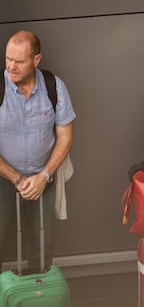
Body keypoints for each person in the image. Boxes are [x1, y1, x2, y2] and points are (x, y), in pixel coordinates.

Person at [0, 30, 76, 271]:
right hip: (3, 179)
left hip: (43, 179)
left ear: (36, 60)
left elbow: (65, 137)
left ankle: (38, 293)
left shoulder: (54, 86)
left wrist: (44, 176)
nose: (11, 66)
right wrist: (17, 178)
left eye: (19, 61)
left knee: (42, 248)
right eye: (8, 59)